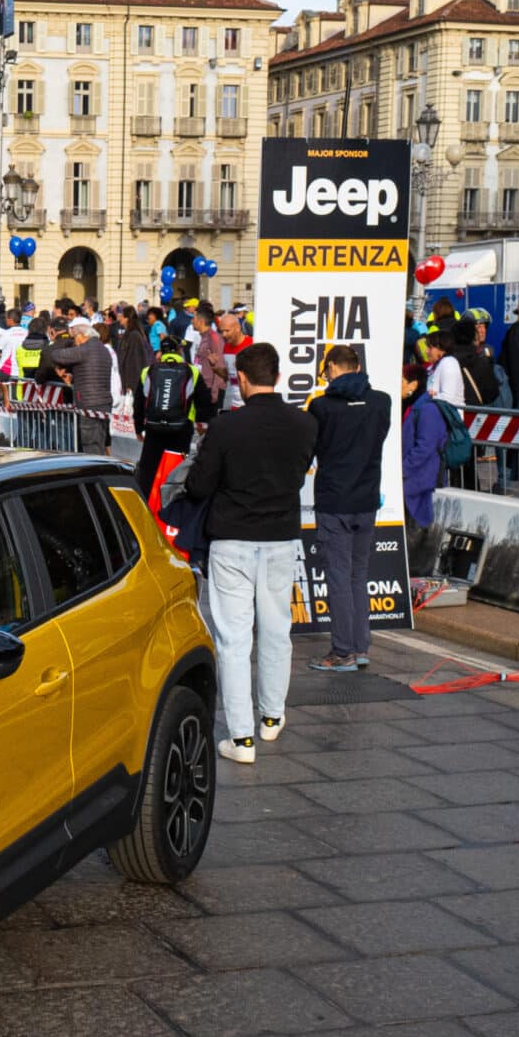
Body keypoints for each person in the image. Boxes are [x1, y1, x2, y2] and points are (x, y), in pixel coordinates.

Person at [183, 342, 319, 763]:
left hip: (232, 539)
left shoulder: (226, 427)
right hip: (281, 537)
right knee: (277, 631)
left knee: (233, 639)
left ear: (241, 379)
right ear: (277, 376)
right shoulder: (304, 424)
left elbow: (199, 486)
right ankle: (273, 718)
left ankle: (241, 737)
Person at [307, 344, 391, 673]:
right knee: (358, 576)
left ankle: (342, 651)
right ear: (357, 367)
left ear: (331, 369)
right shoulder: (381, 401)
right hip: (366, 499)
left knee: (339, 577)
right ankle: (360, 646)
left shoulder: (321, 407)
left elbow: (313, 450)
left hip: (334, 501)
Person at [135, 321, 198, 511]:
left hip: (154, 427)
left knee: (148, 469)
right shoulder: (192, 370)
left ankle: (144, 507)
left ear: (161, 352)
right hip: (182, 427)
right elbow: (202, 399)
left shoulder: (148, 371)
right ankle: (172, 508)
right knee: (176, 470)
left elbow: (139, 402)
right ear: (179, 351)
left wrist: (139, 427)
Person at [43, 318, 117, 455]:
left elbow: (56, 355)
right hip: (104, 403)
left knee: (90, 446)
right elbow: (91, 373)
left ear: (83, 335)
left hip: (89, 404)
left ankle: (95, 474)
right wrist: (73, 376)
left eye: (74, 338)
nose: (74, 342)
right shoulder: (103, 349)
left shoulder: (85, 349)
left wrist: (60, 343)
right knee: (99, 442)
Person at [399, 363, 447, 530]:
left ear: (413, 384)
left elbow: (425, 447)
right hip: (411, 480)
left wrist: (402, 468)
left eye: (401, 380)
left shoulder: (427, 410)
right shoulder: (411, 407)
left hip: (421, 483)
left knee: (417, 528)